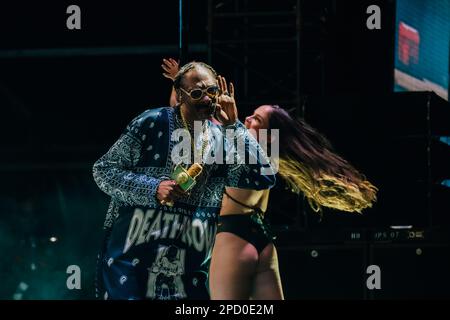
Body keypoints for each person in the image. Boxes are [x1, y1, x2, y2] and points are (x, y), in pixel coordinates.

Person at [92, 61, 275, 300]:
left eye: (212, 91)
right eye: (197, 93)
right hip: (129, 271)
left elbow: (262, 176)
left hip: (187, 279)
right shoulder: (152, 122)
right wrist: (153, 188)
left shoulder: (222, 139)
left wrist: (235, 126)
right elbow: (103, 170)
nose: (207, 99)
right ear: (180, 96)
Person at [209, 79, 378, 300]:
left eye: (256, 120)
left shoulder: (246, 151)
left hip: (234, 240)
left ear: (269, 136)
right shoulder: (267, 158)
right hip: (262, 242)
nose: (248, 118)